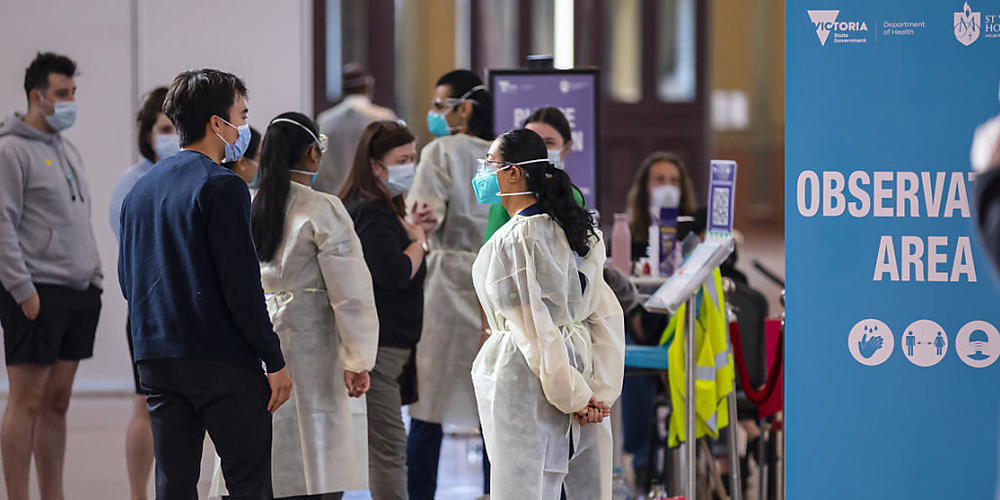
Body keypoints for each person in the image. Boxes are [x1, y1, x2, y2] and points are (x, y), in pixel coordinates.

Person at [118, 68, 292, 499]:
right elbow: (241, 284)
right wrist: (274, 360)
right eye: (242, 114)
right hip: (221, 359)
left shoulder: (139, 191)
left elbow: (128, 280)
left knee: (173, 484)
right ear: (217, 123)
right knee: (248, 484)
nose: (244, 126)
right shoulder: (222, 185)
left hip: (156, 356)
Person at [470, 128, 625, 499]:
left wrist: (573, 396)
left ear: (513, 173)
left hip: (529, 375)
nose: (483, 173)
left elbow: (533, 330)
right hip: (580, 367)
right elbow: (605, 315)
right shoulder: (578, 231)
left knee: (525, 486)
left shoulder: (511, 243)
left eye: (490, 164)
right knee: (583, 484)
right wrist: (598, 394)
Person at [248, 112, 378, 499]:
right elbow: (350, 292)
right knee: (321, 450)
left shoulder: (251, 204)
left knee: (271, 444)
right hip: (314, 341)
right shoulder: (323, 208)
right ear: (311, 154)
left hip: (264, 338)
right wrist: (358, 359)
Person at [0, 52, 103, 500]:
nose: (70, 101)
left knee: (58, 402)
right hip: (35, 290)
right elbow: (1, 223)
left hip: (78, 289)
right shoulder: (10, 150)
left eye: (73, 93)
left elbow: (79, 217)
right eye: (62, 94)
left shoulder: (65, 148)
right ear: (36, 96)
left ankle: (53, 495)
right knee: (26, 401)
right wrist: (23, 289)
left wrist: (95, 274)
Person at [404, 69, 494, 499]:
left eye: (442, 105)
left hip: (444, 286)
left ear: (466, 108)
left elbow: (424, 215)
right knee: (496, 412)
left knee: (428, 411)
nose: (435, 114)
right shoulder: (500, 154)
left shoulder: (440, 151)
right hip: (494, 287)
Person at [341, 120, 427, 500]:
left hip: (386, 345)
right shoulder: (372, 212)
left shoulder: (381, 208)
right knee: (389, 449)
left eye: (413, 158)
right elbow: (392, 274)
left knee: (378, 446)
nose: (410, 166)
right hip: (381, 347)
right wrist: (419, 243)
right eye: (402, 159)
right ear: (376, 166)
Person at [108, 85, 178, 500]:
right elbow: (130, 251)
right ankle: (138, 493)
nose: (170, 136)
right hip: (149, 309)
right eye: (163, 128)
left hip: (189, 311)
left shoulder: (196, 175)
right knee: (145, 405)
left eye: (176, 127)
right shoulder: (131, 182)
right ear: (147, 133)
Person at [483, 106, 581, 242]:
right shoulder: (505, 199)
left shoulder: (571, 197)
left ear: (567, 147)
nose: (540, 150)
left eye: (549, 143)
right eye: (531, 143)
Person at [315, 63, 397, 195]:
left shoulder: (325, 120)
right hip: (373, 198)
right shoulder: (383, 117)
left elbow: (319, 166)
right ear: (368, 85)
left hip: (336, 198)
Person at [626, 151, 698, 261]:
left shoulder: (693, 233)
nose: (668, 187)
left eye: (674, 180)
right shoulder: (627, 236)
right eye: (660, 179)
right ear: (645, 187)